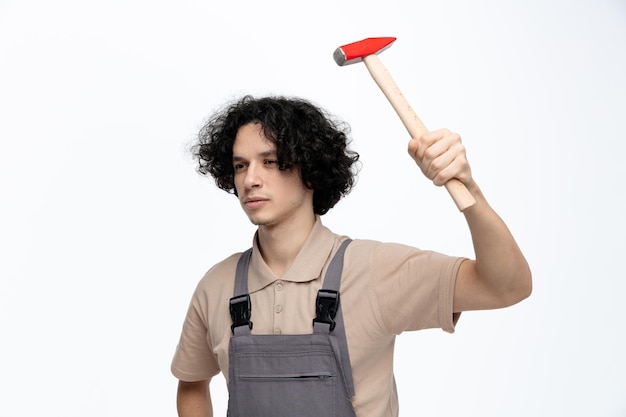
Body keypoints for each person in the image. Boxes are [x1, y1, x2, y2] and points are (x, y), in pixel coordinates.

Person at [171, 95, 532, 417]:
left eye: (271, 161)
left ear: (310, 169)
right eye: (240, 165)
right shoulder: (217, 285)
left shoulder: (373, 270)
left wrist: (468, 190)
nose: (250, 179)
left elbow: (507, 287)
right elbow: (191, 385)